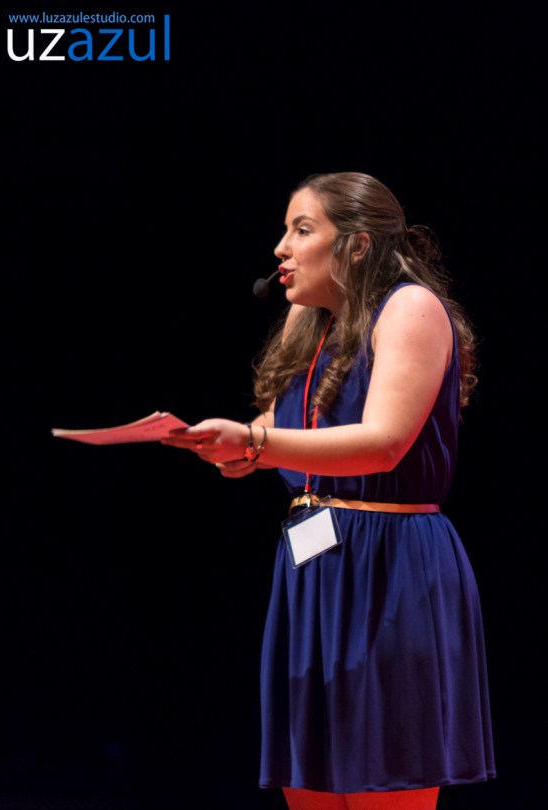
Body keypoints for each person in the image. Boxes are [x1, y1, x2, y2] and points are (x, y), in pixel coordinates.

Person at [161, 172, 496, 809]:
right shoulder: (309, 320)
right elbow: (286, 423)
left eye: (302, 229)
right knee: (310, 783)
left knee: (383, 780)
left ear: (357, 244)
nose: (281, 248)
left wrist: (258, 443)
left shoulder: (410, 308)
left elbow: (384, 441)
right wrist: (234, 446)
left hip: (392, 562)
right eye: (285, 230)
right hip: (313, 563)